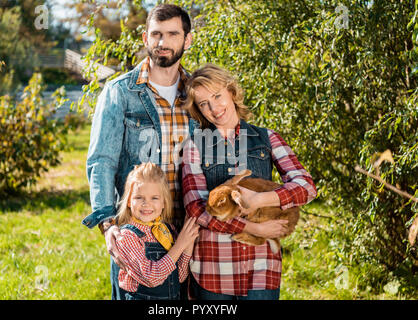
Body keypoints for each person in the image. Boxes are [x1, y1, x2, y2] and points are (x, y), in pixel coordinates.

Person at [81, 4, 193, 300]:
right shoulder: (120, 92)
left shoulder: (198, 93)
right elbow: (101, 162)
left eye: (172, 34)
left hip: (188, 231)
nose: (162, 42)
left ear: (187, 39)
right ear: (145, 38)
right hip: (138, 235)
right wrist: (107, 225)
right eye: (156, 34)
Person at [181, 64, 317, 300]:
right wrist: (251, 228)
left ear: (231, 92)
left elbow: (306, 186)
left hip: (261, 268)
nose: (214, 108)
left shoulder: (267, 138)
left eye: (217, 96)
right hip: (214, 269)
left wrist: (260, 199)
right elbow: (196, 208)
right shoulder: (194, 146)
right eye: (204, 104)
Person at [114, 162, 199, 300]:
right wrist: (180, 244)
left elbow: (180, 277)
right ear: (129, 201)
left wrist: (188, 242)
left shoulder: (168, 230)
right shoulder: (127, 237)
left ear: (164, 202)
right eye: (139, 197)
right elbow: (151, 278)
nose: (146, 203)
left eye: (154, 198)